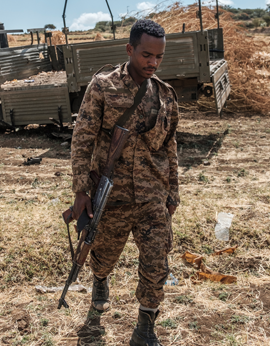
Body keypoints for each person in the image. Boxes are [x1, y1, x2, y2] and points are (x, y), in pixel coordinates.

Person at [70, 19, 179, 346]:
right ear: (130, 49)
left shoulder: (166, 95)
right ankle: (100, 280)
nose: (153, 63)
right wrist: (80, 191)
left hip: (152, 197)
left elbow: (170, 145)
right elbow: (83, 138)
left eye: (159, 57)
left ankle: (145, 326)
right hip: (111, 196)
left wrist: (173, 191)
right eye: (146, 55)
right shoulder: (102, 87)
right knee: (103, 255)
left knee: (156, 261)